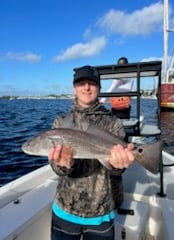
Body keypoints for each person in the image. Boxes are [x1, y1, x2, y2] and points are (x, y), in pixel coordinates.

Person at [48, 65, 135, 240]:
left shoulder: (113, 123)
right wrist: (63, 166)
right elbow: (56, 168)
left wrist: (118, 167)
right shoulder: (61, 122)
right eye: (81, 83)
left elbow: (116, 168)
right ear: (75, 88)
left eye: (92, 83)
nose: (86, 87)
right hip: (65, 209)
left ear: (99, 88)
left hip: (101, 212)